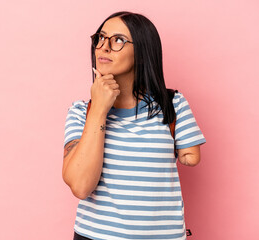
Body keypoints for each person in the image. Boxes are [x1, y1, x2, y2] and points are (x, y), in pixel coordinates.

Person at [62, 11, 206, 240]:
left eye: (118, 40)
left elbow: (192, 155)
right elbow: (80, 186)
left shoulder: (172, 104)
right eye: (100, 38)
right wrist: (99, 109)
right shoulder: (82, 112)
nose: (104, 47)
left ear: (142, 53)